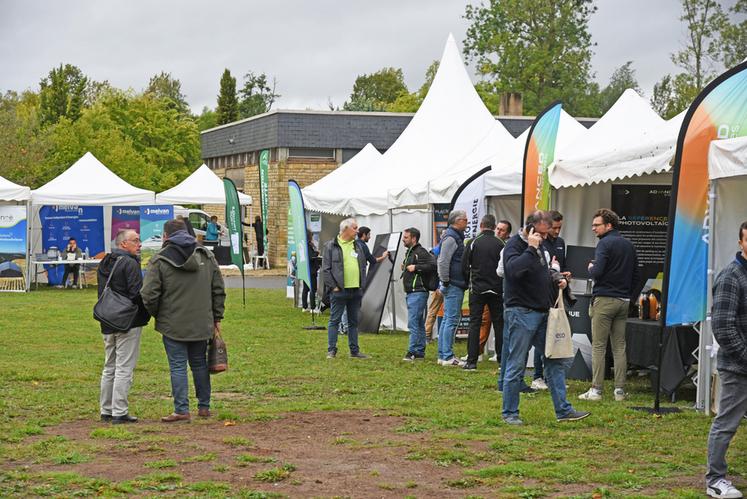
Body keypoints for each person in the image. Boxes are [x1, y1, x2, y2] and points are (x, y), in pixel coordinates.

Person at [501, 210, 589, 425]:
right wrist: (531, 247)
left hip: (542, 313)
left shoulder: (542, 248)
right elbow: (513, 271)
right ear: (530, 229)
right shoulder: (515, 246)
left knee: (556, 359)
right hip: (521, 312)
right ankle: (510, 413)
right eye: (541, 233)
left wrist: (556, 278)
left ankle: (563, 410)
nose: (546, 237)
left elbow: (542, 271)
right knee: (516, 363)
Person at [141, 219, 226, 423]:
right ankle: (204, 406)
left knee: (177, 366)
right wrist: (216, 317)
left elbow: (149, 294)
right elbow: (218, 290)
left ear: (165, 236)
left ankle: (181, 409)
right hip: (201, 322)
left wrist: (158, 314)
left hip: (172, 323)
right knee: (199, 364)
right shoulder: (206, 255)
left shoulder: (159, 259)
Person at [579, 208, 640, 402]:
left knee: (599, 346)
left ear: (609, 225)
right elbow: (638, 275)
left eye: (597, 225)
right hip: (623, 301)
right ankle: (619, 391)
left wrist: (590, 267)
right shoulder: (629, 245)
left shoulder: (604, 244)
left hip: (604, 300)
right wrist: (630, 297)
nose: (593, 228)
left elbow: (597, 271)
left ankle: (596, 390)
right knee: (619, 347)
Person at [705, 221, 747, 499]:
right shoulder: (731, 276)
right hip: (737, 367)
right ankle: (715, 480)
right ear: (741, 242)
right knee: (726, 423)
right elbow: (722, 327)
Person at [97, 229, 150, 424]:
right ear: (123, 244)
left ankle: (106, 409)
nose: (140, 244)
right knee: (124, 367)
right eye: (135, 240)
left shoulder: (106, 261)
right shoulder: (130, 263)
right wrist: (146, 313)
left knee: (109, 366)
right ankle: (119, 411)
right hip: (128, 321)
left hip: (107, 318)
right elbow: (137, 293)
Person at [322, 218, 370, 359]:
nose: (357, 231)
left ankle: (354, 351)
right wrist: (334, 287)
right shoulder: (331, 246)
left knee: (353, 322)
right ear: (346, 229)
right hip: (339, 290)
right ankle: (332, 350)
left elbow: (363, 265)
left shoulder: (358, 246)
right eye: (355, 228)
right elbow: (326, 269)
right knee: (334, 320)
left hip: (355, 290)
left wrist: (362, 284)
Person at [462, 214, 505, 371]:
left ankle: (471, 361)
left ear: (481, 225)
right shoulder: (501, 243)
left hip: (477, 289)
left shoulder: (473, 242)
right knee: (499, 324)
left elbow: (464, 264)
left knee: (475, 323)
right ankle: (501, 360)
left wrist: (468, 280)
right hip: (496, 289)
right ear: (494, 227)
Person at [531, 210, 567, 391]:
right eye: (554, 228)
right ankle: (537, 375)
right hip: (540, 295)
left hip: (556, 294)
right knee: (542, 336)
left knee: (553, 335)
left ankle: (550, 376)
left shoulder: (560, 243)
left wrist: (563, 274)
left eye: (560, 228)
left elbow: (562, 265)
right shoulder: (539, 241)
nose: (557, 231)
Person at [339, 226, 389, 334]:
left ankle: (343, 327)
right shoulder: (362, 246)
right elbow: (372, 260)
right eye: (369, 235)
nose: (370, 237)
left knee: (346, 303)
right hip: (357, 280)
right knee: (354, 304)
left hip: (348, 279)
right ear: (364, 235)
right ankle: (347, 328)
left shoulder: (353, 244)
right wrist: (384, 256)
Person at [436, 210, 469, 367]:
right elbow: (442, 261)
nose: (467, 222)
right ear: (457, 221)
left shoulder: (452, 236)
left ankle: (443, 355)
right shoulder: (451, 237)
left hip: (452, 282)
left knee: (447, 320)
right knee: (451, 320)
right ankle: (448, 356)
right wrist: (445, 281)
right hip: (453, 283)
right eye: (465, 220)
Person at [401, 227, 436, 361]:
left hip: (418, 292)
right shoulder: (410, 252)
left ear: (414, 239)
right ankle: (420, 352)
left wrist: (416, 267)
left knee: (413, 322)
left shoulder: (421, 252)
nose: (403, 239)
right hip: (412, 292)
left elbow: (433, 265)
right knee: (419, 323)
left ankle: (412, 352)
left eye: (406, 237)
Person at [424, 229, 447, 342]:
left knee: (433, 310)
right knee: (433, 310)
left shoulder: (435, 250)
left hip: (440, 284)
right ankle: (427, 335)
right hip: (440, 284)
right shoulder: (438, 250)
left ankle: (428, 335)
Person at [302, 231, 321, 312]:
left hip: (306, 269)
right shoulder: (308, 245)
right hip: (311, 270)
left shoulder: (304, 244)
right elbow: (311, 256)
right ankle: (312, 307)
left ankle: (305, 306)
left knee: (306, 289)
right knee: (312, 289)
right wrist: (317, 253)